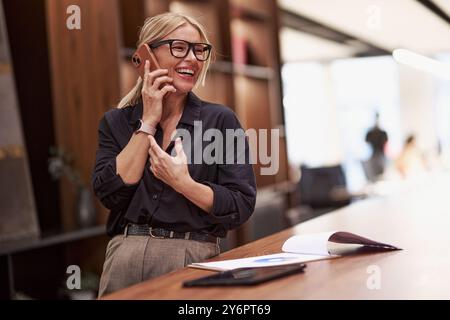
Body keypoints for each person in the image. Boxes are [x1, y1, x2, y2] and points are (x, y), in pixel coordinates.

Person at [92, 12, 256, 297]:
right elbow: (109, 193)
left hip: (192, 254)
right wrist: (148, 122)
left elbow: (241, 203)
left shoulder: (220, 120)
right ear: (147, 55)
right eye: (179, 47)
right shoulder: (116, 122)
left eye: (199, 50)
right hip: (125, 256)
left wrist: (184, 184)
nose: (192, 58)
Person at [365, 112, 388, 178]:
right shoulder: (370, 132)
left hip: (382, 155)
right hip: (374, 154)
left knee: (382, 173)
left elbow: (386, 142)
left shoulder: (382, 132)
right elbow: (366, 141)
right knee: (375, 174)